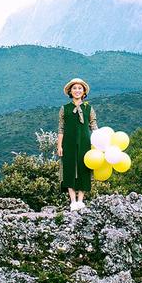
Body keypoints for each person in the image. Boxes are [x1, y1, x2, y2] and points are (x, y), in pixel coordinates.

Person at [56, 78, 98, 210]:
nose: (77, 90)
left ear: (84, 91)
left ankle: (81, 200)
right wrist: (59, 146)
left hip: (85, 142)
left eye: (80, 88)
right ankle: (72, 201)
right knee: (69, 169)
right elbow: (61, 128)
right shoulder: (65, 109)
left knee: (83, 169)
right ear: (70, 91)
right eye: (74, 88)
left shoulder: (89, 108)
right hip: (68, 142)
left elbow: (94, 126)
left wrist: (98, 142)